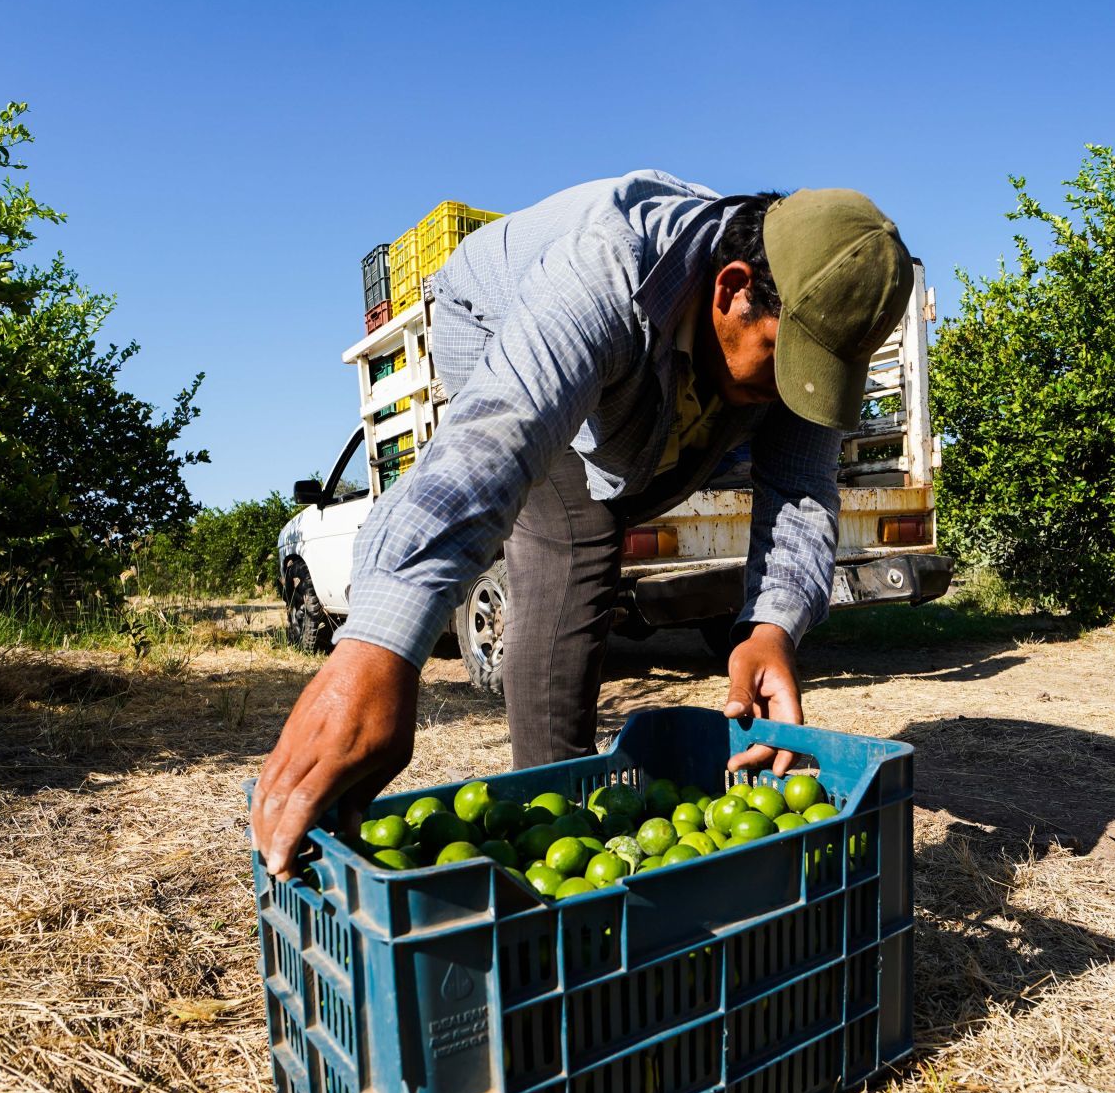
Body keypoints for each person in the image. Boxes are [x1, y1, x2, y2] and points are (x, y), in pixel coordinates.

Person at [252, 171, 911, 879]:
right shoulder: (607, 268)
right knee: (576, 539)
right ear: (731, 289)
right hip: (489, 322)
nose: (790, 390)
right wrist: (379, 646)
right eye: (783, 362)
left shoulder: (792, 319)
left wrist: (769, 629)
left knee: (666, 463)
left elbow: (800, 485)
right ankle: (549, 799)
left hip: (649, 372)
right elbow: (495, 442)